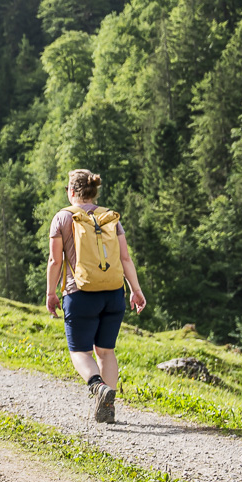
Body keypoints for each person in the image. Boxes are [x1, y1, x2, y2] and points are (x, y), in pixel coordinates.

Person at [46, 169, 146, 423]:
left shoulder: (62, 218)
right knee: (106, 351)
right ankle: (108, 409)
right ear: (94, 191)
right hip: (113, 294)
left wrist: (51, 292)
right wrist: (135, 289)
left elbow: (55, 260)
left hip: (80, 294)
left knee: (80, 353)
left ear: (71, 192)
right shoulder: (110, 217)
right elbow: (125, 258)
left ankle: (98, 387)